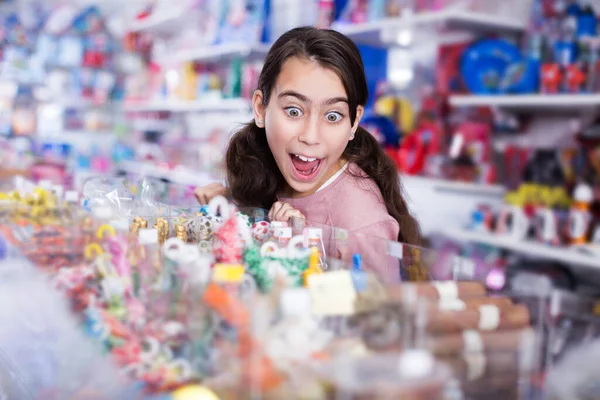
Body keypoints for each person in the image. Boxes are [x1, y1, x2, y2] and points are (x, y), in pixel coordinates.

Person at [195, 26, 422, 279]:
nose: (311, 137)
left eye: (333, 116)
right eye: (294, 111)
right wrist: (229, 211)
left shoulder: (362, 225)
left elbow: (378, 316)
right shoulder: (264, 162)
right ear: (261, 108)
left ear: (354, 122)